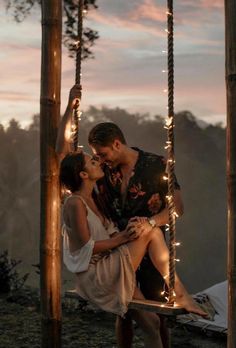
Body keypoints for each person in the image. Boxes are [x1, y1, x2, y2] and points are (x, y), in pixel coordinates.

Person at [55, 85, 196, 347]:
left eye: (102, 154)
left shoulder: (156, 165)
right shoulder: (101, 173)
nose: (99, 159)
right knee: (125, 314)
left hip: (151, 247)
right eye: (95, 157)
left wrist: (151, 222)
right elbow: (64, 158)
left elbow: (177, 207)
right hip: (115, 249)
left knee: (157, 316)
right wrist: (69, 109)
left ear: (117, 144)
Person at [60, 151, 206, 348]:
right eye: (92, 161)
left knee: (152, 323)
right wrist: (125, 237)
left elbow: (110, 236)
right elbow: (85, 249)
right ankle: (180, 293)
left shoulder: (95, 198)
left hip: (111, 266)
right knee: (152, 232)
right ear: (83, 175)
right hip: (96, 274)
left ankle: (178, 293)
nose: (98, 162)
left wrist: (133, 228)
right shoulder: (74, 203)